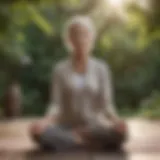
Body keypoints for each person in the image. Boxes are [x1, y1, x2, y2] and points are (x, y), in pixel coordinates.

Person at [29, 15, 127, 151]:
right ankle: (83, 141)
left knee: (121, 134)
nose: (80, 39)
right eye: (75, 35)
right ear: (68, 40)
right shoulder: (59, 70)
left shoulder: (102, 68)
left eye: (84, 35)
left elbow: (107, 105)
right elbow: (55, 105)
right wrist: (44, 122)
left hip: (95, 128)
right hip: (66, 127)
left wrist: (117, 121)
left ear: (91, 38)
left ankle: (74, 141)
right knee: (37, 133)